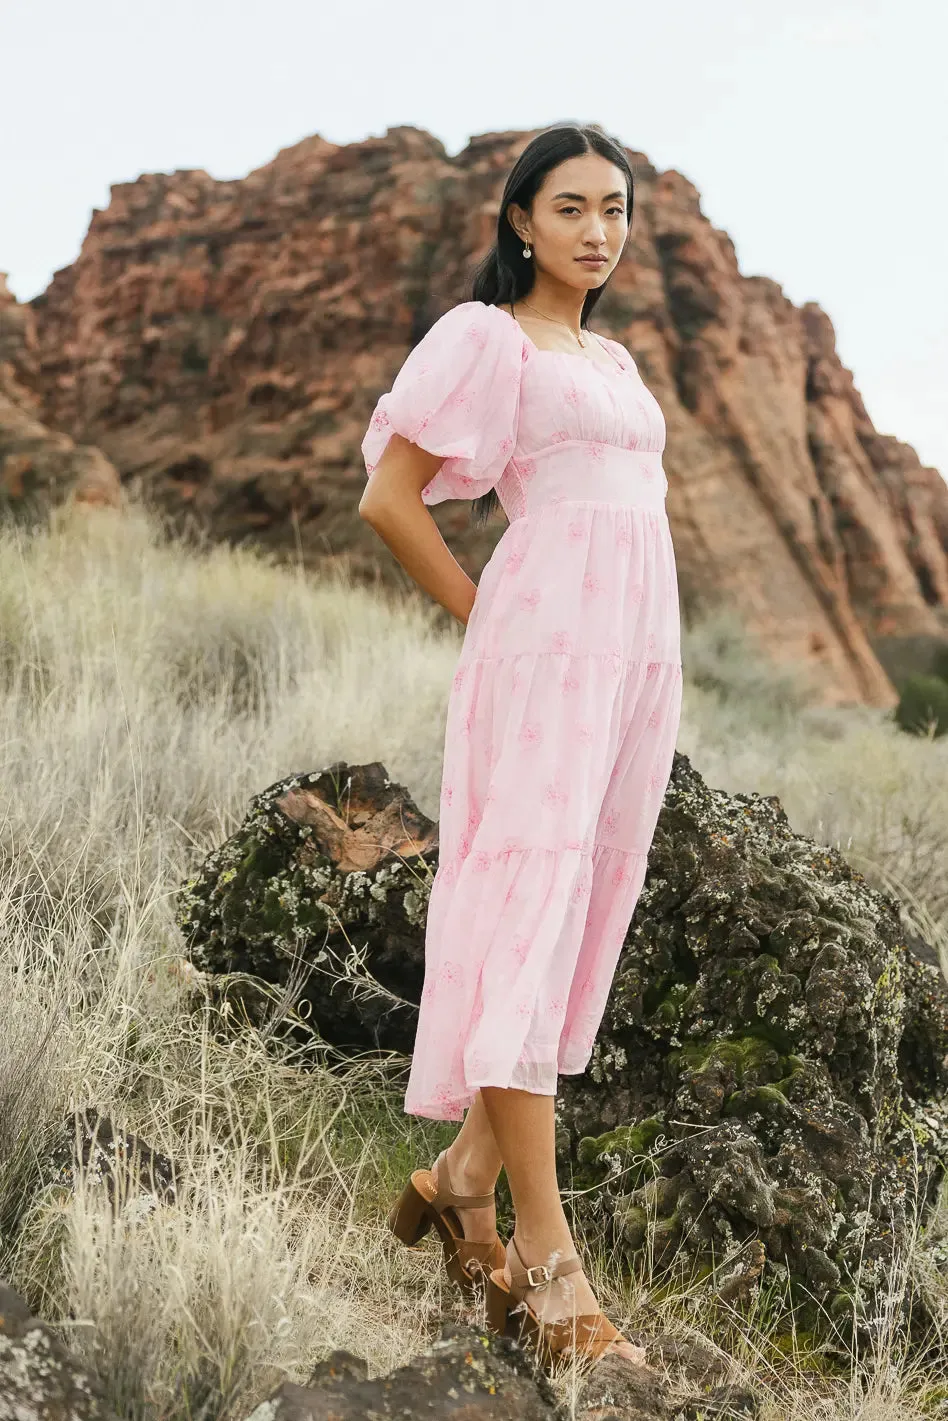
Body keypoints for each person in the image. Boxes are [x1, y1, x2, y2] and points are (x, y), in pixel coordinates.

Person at [359, 121, 681, 1371]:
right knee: (522, 918)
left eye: (615, 208)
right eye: (571, 207)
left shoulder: (617, 356)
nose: (597, 230)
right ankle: (553, 1269)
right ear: (521, 219)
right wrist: (487, 616)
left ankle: (454, 1182)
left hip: (634, 664)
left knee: (579, 914)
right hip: (541, 659)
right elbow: (390, 496)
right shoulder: (484, 337)